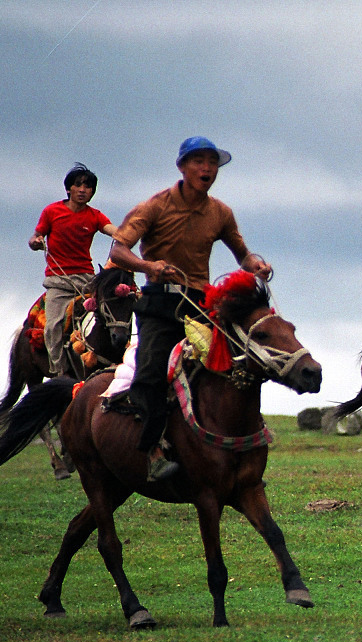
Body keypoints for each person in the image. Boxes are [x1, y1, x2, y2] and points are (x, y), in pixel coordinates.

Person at [108, 137, 273, 481]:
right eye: (199, 161)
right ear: (182, 167)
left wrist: (255, 264)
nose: (207, 169)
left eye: (213, 163)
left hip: (200, 304)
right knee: (152, 373)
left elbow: (243, 254)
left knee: (236, 365)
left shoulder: (221, 212)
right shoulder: (153, 207)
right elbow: (119, 249)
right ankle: (152, 451)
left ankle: (236, 446)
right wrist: (148, 266)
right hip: (158, 304)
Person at [29, 163, 118, 377]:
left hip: (87, 280)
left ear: (92, 193)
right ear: (69, 188)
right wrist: (37, 241)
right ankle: (59, 371)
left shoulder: (95, 216)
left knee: (110, 314)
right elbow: (35, 237)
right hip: (58, 282)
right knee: (53, 326)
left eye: (88, 187)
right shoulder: (52, 211)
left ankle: (111, 363)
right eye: (78, 185)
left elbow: (115, 231)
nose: (82, 190)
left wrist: (129, 234)